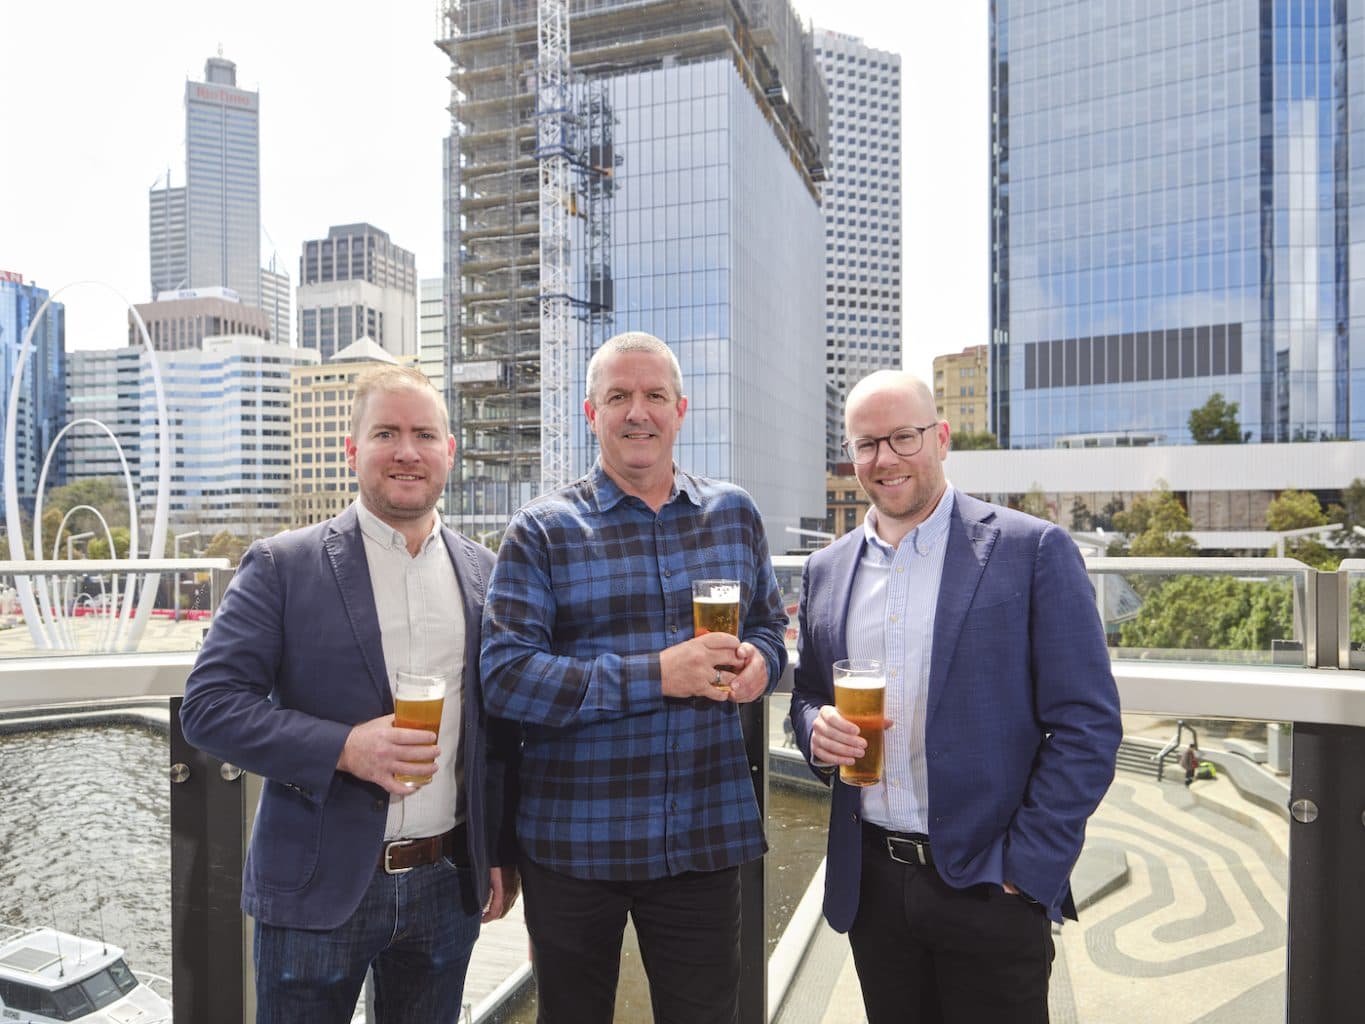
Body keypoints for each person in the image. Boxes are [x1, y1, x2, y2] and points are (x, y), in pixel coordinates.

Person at [180, 365, 520, 1024]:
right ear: (351, 450)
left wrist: (494, 851)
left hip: (446, 887)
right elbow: (210, 706)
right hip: (316, 888)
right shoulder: (282, 565)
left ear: (450, 451)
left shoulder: (485, 572)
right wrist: (344, 748)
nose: (406, 451)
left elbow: (494, 733)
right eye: (385, 433)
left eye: (424, 434)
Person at [790, 369, 1122, 1024]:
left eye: (902, 437)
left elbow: (1087, 727)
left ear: (939, 438)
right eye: (865, 444)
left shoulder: (1032, 550)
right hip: (874, 887)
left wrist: (1023, 870)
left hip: (988, 886)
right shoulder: (825, 571)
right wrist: (813, 732)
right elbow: (805, 696)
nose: (884, 459)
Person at [481, 331, 788, 1024]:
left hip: (703, 838)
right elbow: (505, 678)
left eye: (653, 396)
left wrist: (762, 665)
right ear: (590, 414)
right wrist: (657, 675)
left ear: (681, 410)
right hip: (575, 842)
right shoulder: (541, 530)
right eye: (617, 396)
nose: (636, 412)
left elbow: (771, 629)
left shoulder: (733, 514)